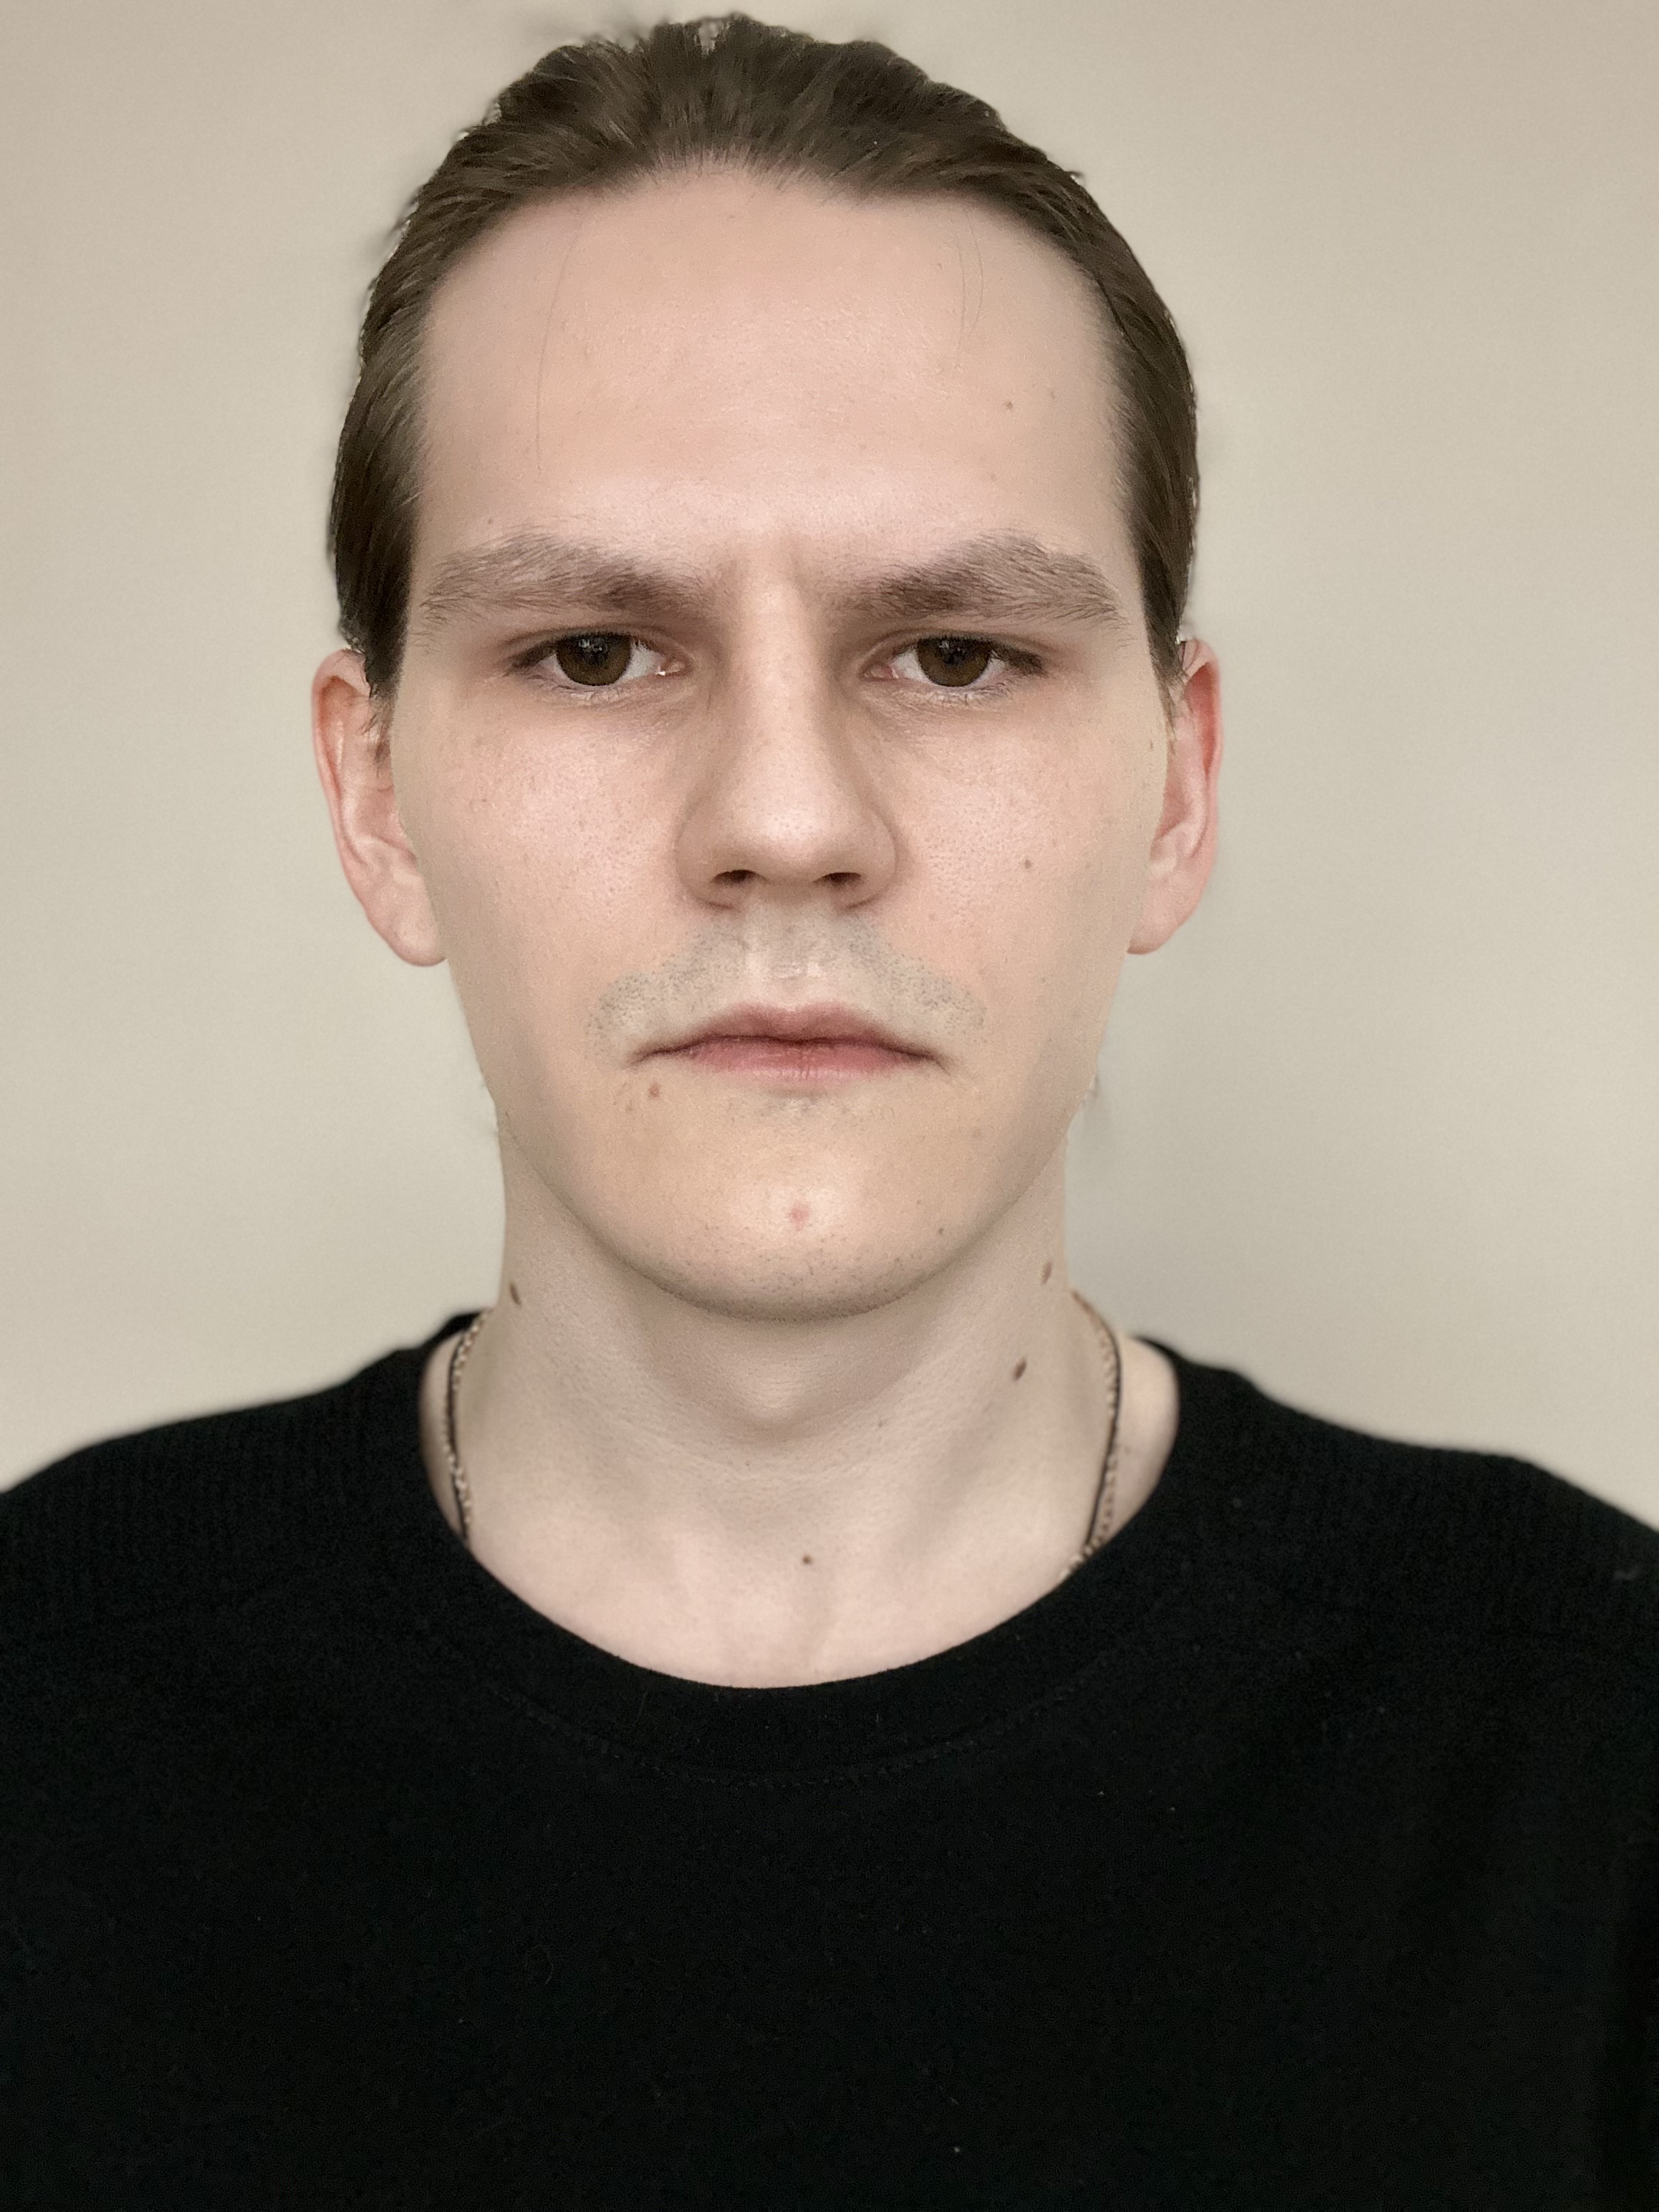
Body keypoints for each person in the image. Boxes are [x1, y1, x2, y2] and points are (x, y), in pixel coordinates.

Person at [4, 16, 1654, 2206]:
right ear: (374, 794)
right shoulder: (42, 1710)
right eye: (593, 650)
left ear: (1176, 795)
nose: (785, 823)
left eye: (954, 653)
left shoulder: (1592, 1761)